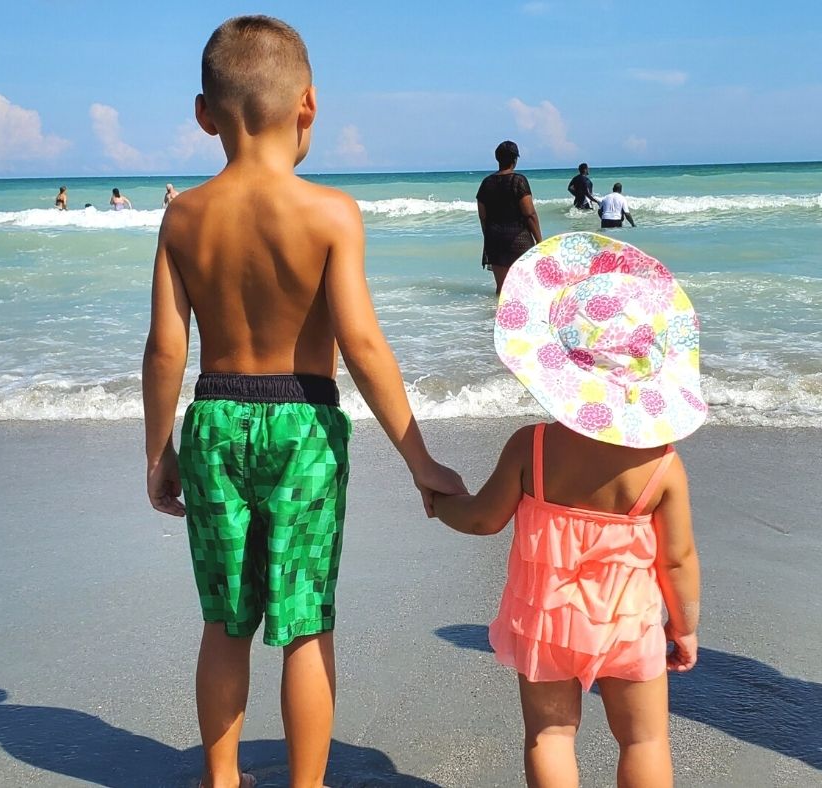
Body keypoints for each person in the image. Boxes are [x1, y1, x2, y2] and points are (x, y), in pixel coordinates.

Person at [142, 16, 464, 788]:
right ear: (308, 105)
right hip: (306, 429)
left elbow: (164, 349)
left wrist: (160, 451)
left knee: (225, 621)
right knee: (305, 623)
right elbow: (363, 345)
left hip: (214, 421)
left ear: (203, 114)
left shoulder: (183, 216)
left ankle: (220, 780)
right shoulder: (330, 213)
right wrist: (420, 458)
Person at [433, 232, 706, 788]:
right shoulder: (661, 467)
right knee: (644, 739)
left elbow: (485, 518)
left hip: (545, 617)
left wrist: (443, 504)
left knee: (550, 736)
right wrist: (685, 627)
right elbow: (677, 559)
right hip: (629, 620)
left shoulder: (531, 447)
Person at [476, 140, 542, 294]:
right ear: (515, 159)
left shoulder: (486, 183)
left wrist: (489, 237)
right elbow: (529, 214)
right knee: (524, 287)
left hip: (494, 239)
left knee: (502, 288)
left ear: (497, 159)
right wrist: (539, 241)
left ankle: (498, 316)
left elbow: (483, 217)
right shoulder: (518, 180)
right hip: (519, 239)